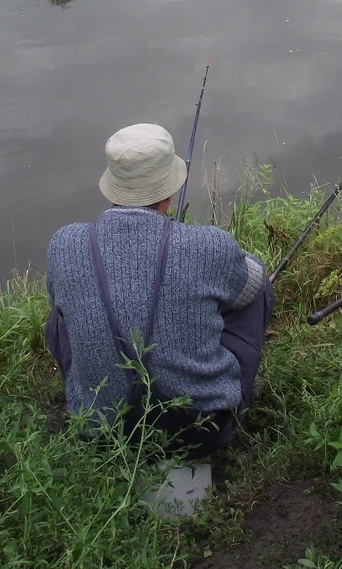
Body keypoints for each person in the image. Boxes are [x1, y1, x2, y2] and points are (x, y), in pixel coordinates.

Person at [44, 123, 273, 458]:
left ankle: (94, 399)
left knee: (58, 317)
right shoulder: (210, 245)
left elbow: (59, 307)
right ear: (169, 190)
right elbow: (252, 283)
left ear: (112, 188)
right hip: (203, 430)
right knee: (257, 291)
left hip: (102, 432)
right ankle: (227, 394)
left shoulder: (64, 245)